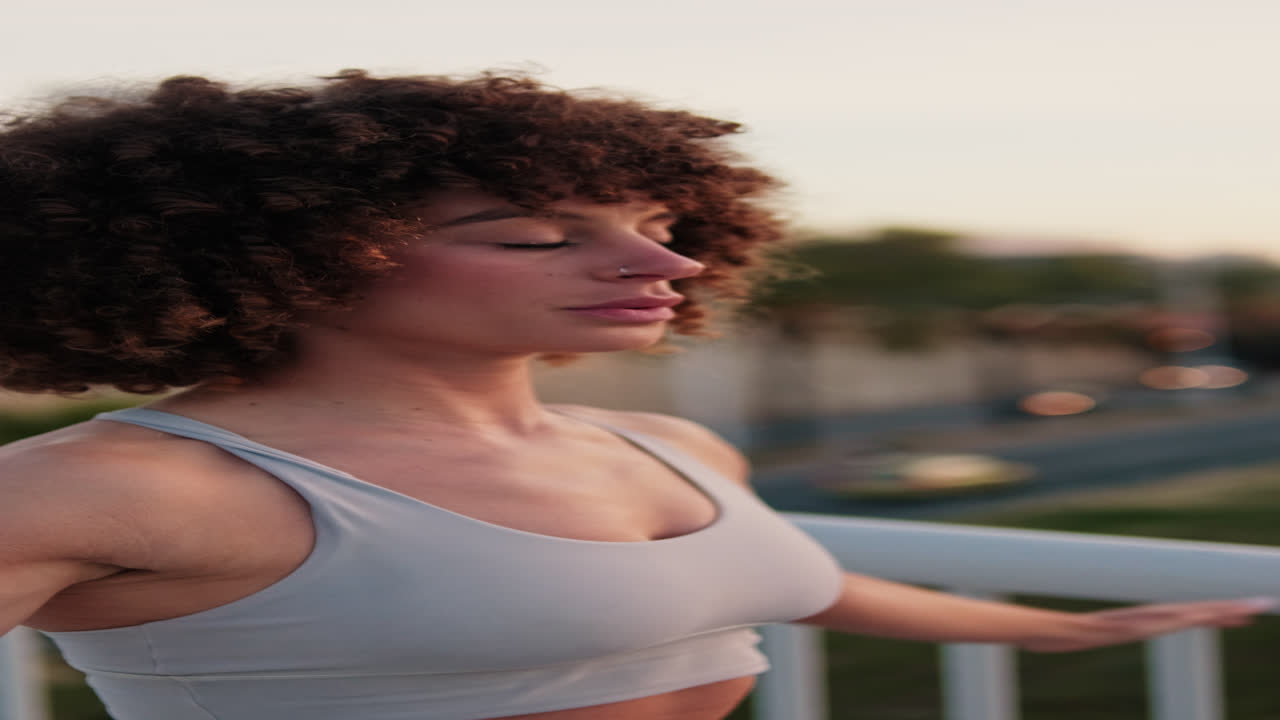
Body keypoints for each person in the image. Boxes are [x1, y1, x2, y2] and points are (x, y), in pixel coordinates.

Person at [0, 69, 1271, 720]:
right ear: (289, 255)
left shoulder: (664, 444)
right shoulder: (119, 488)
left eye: (660, 222)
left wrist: (1052, 629)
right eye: (530, 236)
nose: (664, 264)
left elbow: (796, 583)